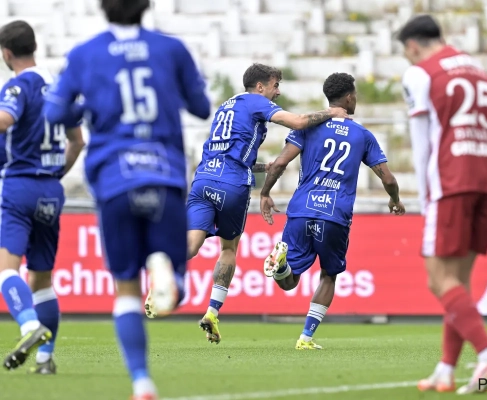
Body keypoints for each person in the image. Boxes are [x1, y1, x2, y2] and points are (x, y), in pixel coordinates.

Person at [43, 0, 211, 398]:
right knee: (175, 282)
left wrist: (88, 106)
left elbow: (54, 112)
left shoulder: (86, 53)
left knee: (126, 289)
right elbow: (202, 108)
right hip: (163, 174)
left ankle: (141, 381)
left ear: (103, 8)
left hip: (115, 178)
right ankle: (167, 270)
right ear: (145, 6)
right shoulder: (171, 48)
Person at [183, 63, 350, 345]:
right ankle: (212, 311)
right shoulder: (256, 102)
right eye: (275, 85)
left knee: (189, 247)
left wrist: (264, 167)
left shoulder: (227, 107)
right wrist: (330, 112)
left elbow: (232, 154)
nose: (278, 91)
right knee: (228, 249)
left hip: (203, 179)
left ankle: (159, 268)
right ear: (260, 87)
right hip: (232, 184)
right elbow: (298, 122)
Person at [260, 72, 405, 350]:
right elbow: (388, 179)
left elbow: (279, 163)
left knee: (288, 282)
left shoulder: (308, 126)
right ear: (349, 97)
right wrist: (394, 200)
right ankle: (306, 337)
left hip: (302, 210)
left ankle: (281, 264)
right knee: (329, 274)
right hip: (334, 214)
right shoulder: (362, 135)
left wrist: (265, 192)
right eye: (355, 95)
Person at [397, 15, 487, 394]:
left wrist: (425, 197)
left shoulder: (420, 73)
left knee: (438, 279)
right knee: (459, 282)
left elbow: (421, 140)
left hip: (451, 180)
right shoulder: (479, 70)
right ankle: (446, 369)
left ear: (412, 46)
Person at [0, 21, 85, 373]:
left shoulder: (18, 86)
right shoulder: (59, 88)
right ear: (33, 46)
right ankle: (45, 359)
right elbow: (77, 141)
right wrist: (54, 175)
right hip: (51, 190)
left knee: (6, 269)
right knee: (42, 279)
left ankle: (29, 326)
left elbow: (5, 120)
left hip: (20, 185)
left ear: (7, 54)